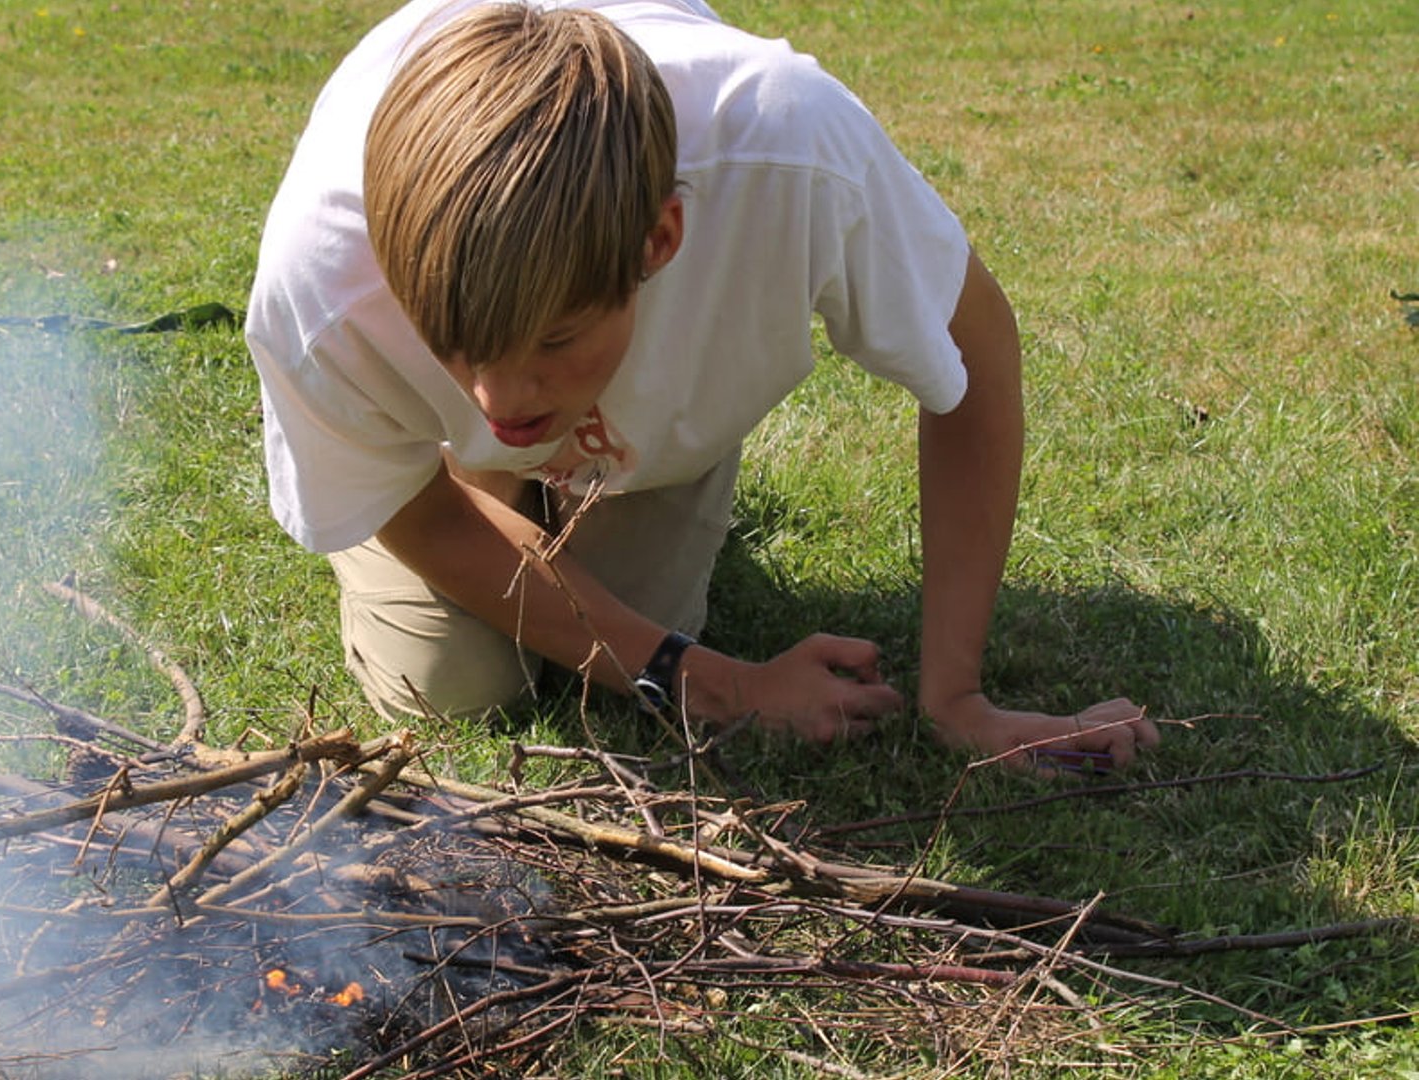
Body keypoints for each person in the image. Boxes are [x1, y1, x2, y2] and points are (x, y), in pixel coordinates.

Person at [244, 0, 1160, 771]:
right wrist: (715, 681)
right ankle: (500, 475)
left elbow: (975, 363)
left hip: (662, 383)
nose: (495, 399)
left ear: (661, 240)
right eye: (450, 343)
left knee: (632, 616)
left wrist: (958, 697)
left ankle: (636, 463)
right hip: (429, 464)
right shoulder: (322, 272)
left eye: (554, 339)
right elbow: (414, 505)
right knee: (455, 686)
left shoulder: (789, 147)